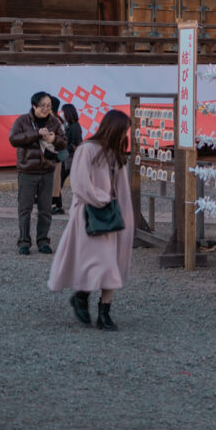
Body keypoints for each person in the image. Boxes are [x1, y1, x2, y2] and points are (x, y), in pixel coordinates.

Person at [49, 109, 133, 331]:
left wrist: (124, 215)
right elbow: (80, 184)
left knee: (108, 266)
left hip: (108, 218)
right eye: (124, 130)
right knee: (96, 264)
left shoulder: (115, 154)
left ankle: (102, 310)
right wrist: (103, 199)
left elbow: (122, 190)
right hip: (87, 215)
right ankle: (83, 298)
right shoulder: (87, 149)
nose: (126, 135)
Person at [9, 91, 67, 256]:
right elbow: (13, 139)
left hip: (47, 170)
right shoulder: (22, 121)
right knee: (25, 208)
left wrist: (54, 139)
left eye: (49, 106)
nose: (46, 108)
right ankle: (24, 242)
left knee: (45, 209)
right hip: (27, 170)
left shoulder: (54, 122)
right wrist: (36, 134)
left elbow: (64, 143)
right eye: (43, 105)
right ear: (34, 106)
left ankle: (43, 241)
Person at [52, 102, 83, 215]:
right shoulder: (69, 125)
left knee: (59, 182)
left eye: (63, 112)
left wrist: (64, 150)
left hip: (70, 160)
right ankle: (58, 206)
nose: (62, 113)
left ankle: (58, 206)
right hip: (68, 159)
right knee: (59, 182)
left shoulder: (74, 127)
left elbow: (76, 144)